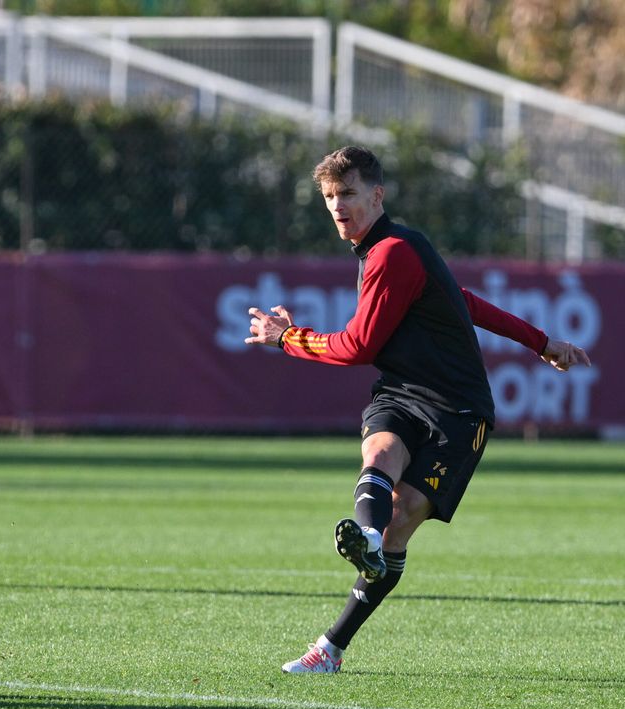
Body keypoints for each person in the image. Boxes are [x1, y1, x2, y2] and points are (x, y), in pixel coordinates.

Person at [244, 146, 591, 673]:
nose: (338, 206)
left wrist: (289, 338)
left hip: (460, 410)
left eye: (349, 194)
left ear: (377, 195)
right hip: (403, 393)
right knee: (379, 452)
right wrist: (541, 342)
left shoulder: (393, 253)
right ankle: (362, 540)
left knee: (399, 522)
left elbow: (358, 346)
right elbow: (465, 301)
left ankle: (332, 645)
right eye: (330, 197)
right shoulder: (387, 249)